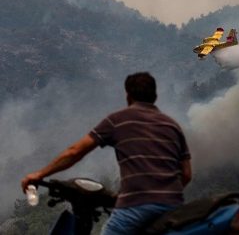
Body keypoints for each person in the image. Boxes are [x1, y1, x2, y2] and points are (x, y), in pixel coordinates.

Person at [21, 72, 192, 234]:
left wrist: (39, 174)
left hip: (137, 204)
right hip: (173, 207)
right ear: (154, 96)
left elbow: (75, 152)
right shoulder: (172, 126)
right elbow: (186, 174)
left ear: (128, 96)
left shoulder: (118, 120)